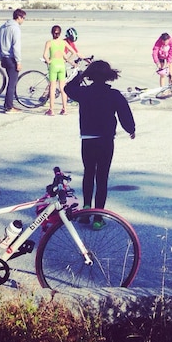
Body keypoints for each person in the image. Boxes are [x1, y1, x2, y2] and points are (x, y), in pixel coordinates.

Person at [64, 60, 135, 230]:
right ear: (108, 76)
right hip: (105, 140)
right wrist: (130, 129)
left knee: (89, 173)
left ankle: (86, 208)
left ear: (91, 75)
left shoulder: (84, 93)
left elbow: (67, 88)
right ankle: (98, 217)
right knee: (102, 177)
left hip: (87, 139)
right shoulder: (114, 94)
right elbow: (125, 113)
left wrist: (81, 75)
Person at [0, 8, 26, 113]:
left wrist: (0, 57)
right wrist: (19, 61)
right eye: (23, 18)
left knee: (11, 82)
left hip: (4, 57)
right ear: (18, 17)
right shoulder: (15, 28)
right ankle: (9, 107)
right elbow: (16, 46)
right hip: (11, 58)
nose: (23, 20)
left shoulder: (3, 27)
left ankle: (8, 104)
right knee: (12, 83)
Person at [42, 24, 69, 116]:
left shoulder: (49, 42)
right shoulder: (63, 42)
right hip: (62, 65)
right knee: (63, 88)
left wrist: (48, 61)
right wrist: (66, 59)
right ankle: (64, 109)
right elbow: (73, 52)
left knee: (52, 88)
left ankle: (51, 110)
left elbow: (44, 55)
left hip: (53, 65)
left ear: (52, 33)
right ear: (60, 33)